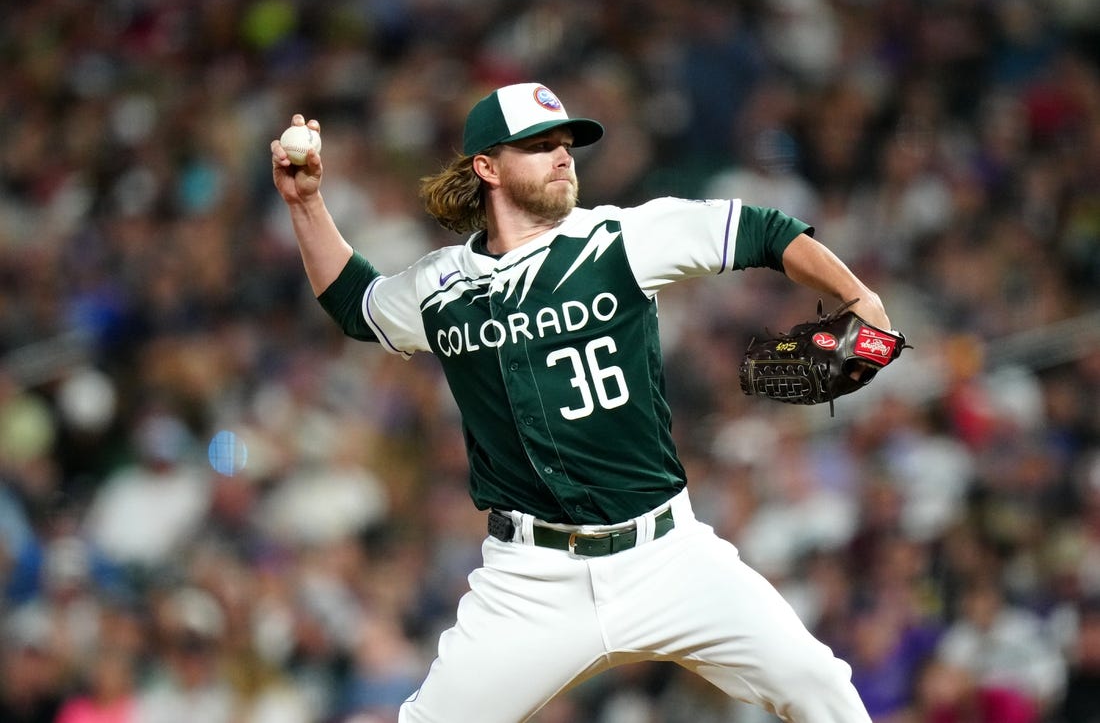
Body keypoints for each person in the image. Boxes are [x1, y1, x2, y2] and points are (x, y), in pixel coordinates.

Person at [271, 82, 891, 722]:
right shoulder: (440, 286)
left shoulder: (620, 240)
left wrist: (859, 297)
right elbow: (355, 304)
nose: (563, 157)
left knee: (819, 687)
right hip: (531, 581)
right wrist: (306, 203)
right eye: (540, 146)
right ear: (487, 167)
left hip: (667, 556)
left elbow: (761, 228)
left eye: (566, 144)